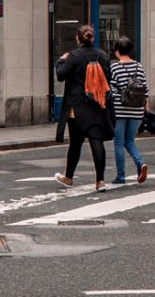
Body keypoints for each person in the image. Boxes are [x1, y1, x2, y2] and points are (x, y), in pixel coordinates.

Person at [53, 24, 111, 190]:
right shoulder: (103, 55)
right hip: (97, 104)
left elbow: (61, 75)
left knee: (75, 142)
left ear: (78, 39)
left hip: (76, 106)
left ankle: (68, 177)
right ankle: (100, 181)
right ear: (92, 38)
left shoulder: (74, 56)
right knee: (96, 140)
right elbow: (108, 77)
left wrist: (61, 60)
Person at [108, 35, 150, 185]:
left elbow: (112, 90)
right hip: (136, 110)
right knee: (130, 141)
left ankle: (121, 176)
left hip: (120, 110)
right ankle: (140, 163)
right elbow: (145, 89)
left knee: (119, 143)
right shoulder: (139, 66)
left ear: (117, 51)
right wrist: (145, 107)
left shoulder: (114, 67)